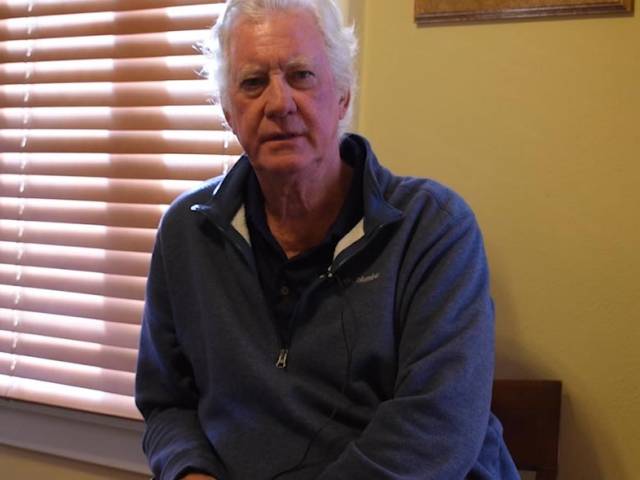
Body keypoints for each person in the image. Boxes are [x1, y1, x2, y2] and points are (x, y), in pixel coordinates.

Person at [135, 0, 519, 479]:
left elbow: (436, 431)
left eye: (301, 75)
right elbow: (167, 402)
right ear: (229, 113)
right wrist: (190, 472)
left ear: (341, 96)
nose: (279, 103)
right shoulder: (185, 233)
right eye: (253, 82)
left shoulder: (433, 227)